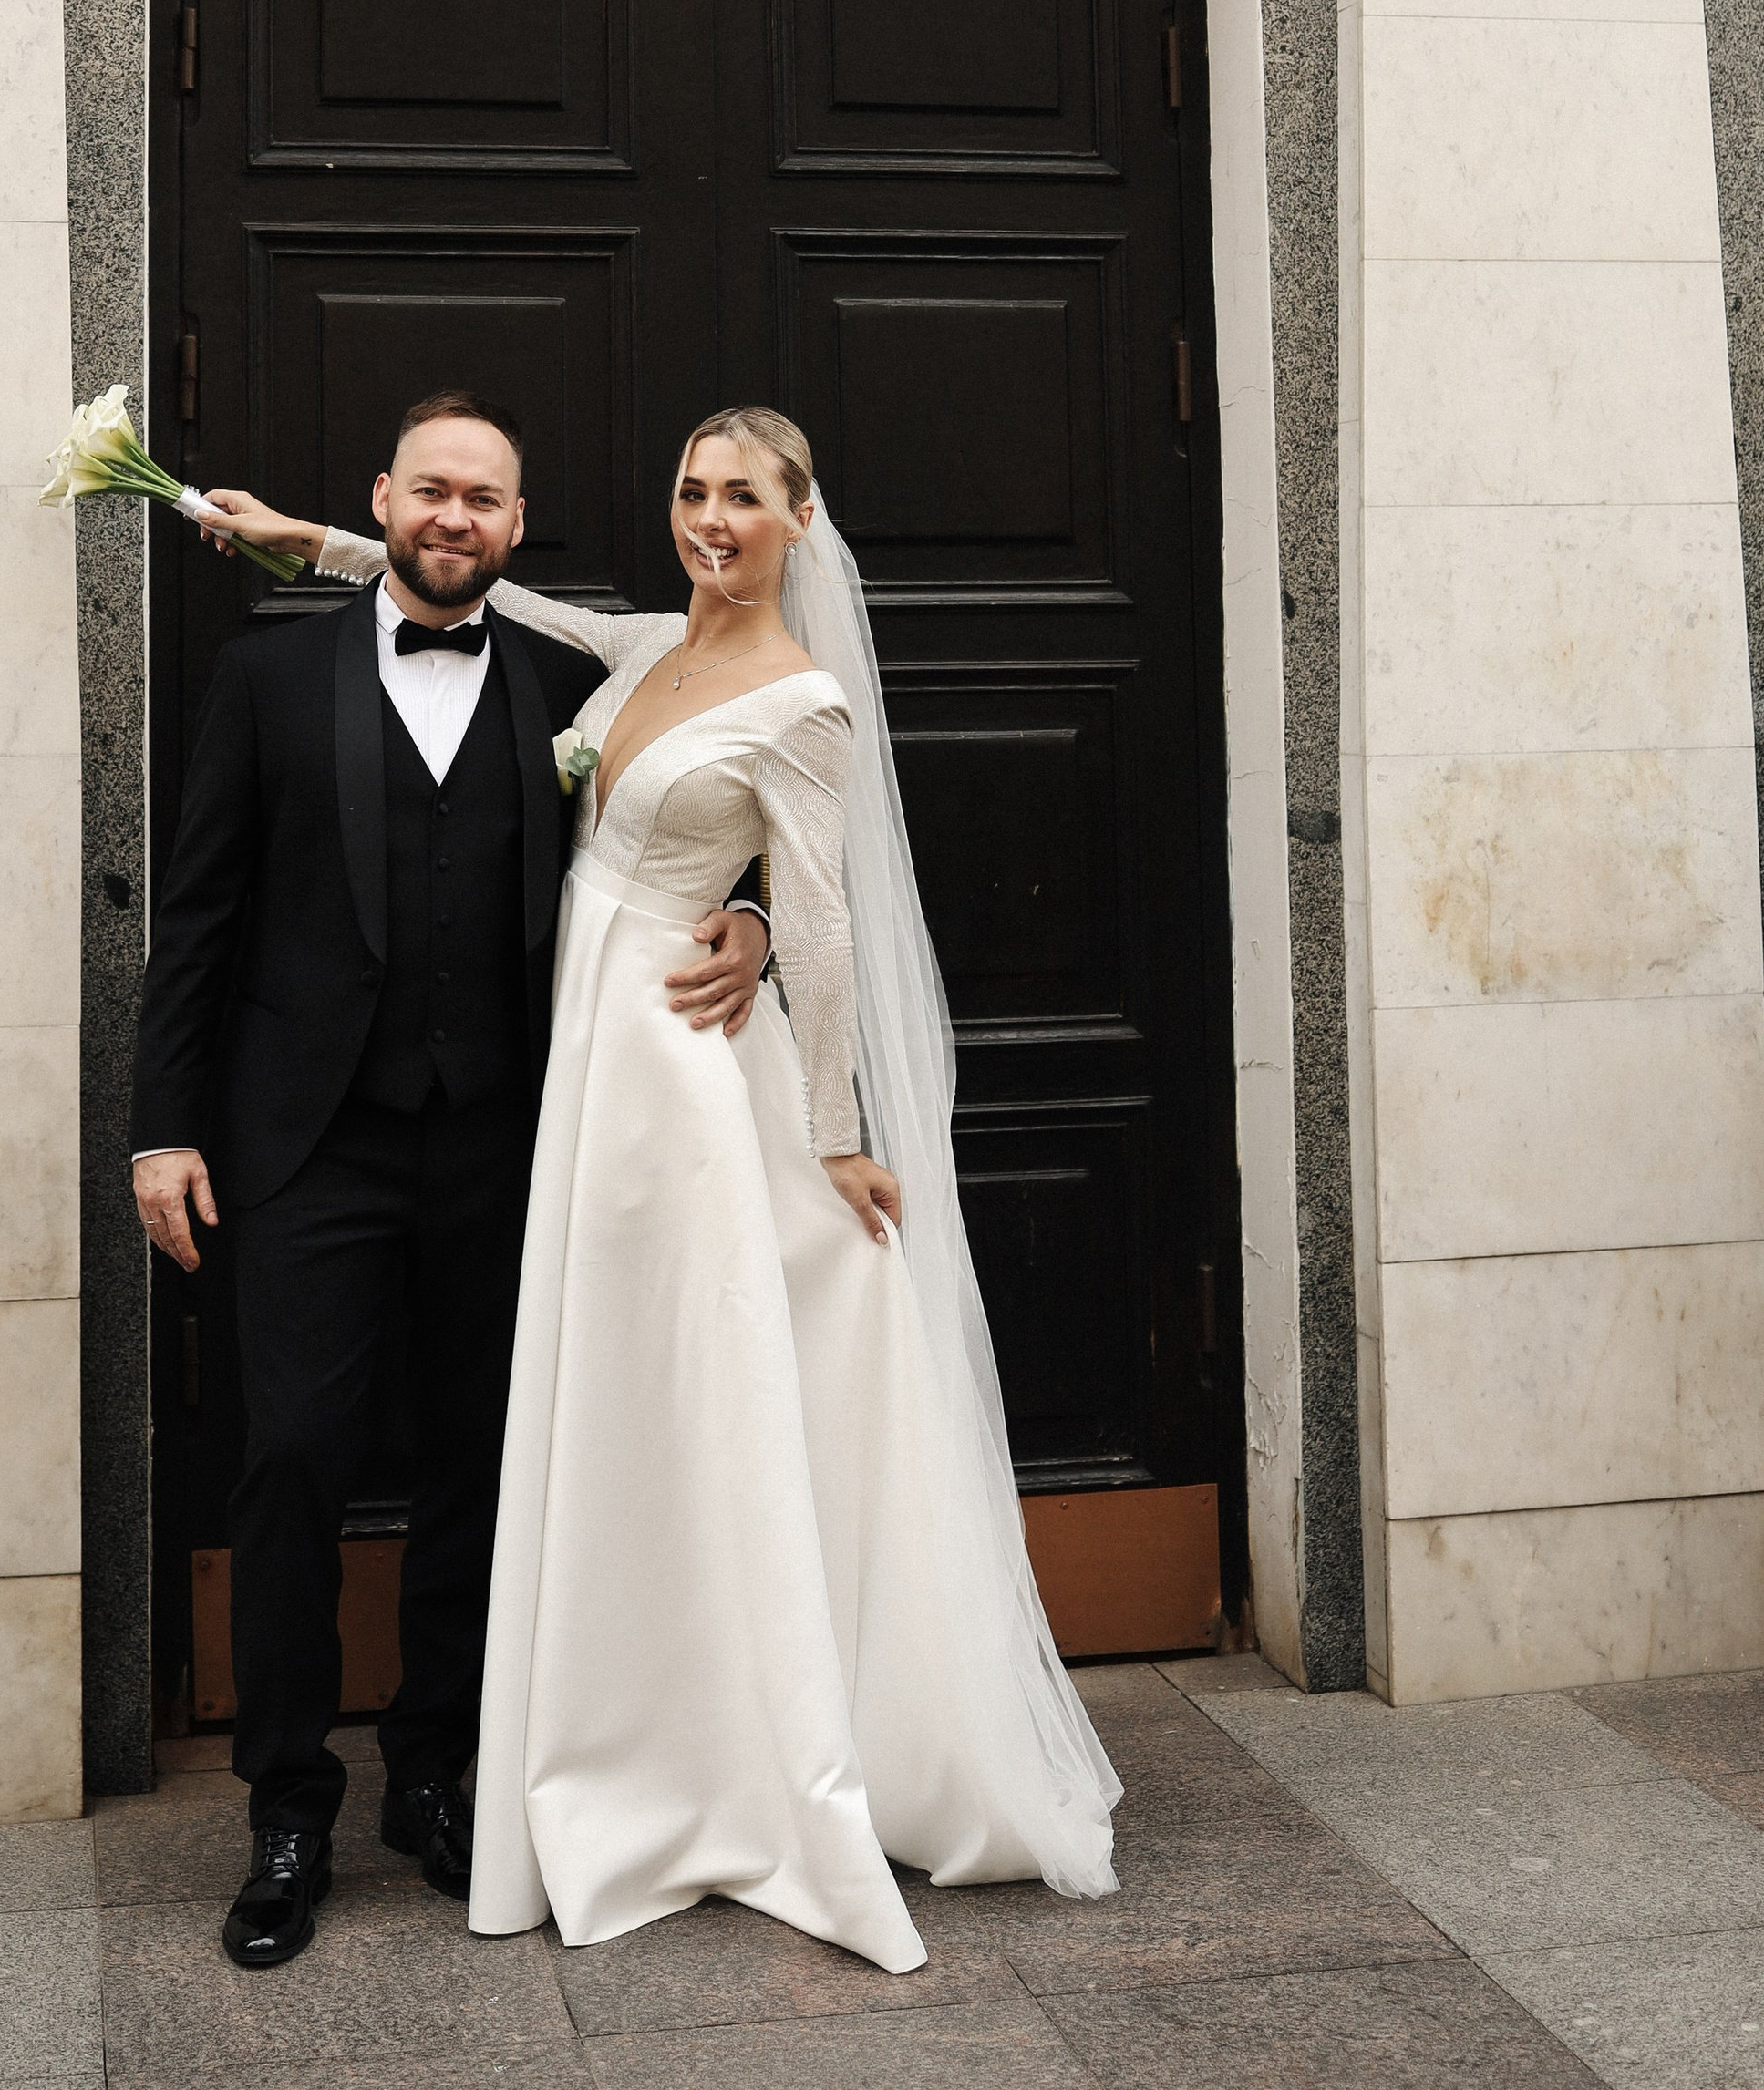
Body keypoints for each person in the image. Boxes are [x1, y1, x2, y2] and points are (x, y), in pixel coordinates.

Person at [201, 403, 1121, 1975]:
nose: (712, 518)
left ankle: (654, 1754)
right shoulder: (632, 651)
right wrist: (303, 537)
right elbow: (489, 594)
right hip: (558, 1071)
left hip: (663, 1081)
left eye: (744, 498)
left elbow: (822, 922)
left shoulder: (803, 698)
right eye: (694, 490)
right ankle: (385, 1783)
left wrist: (829, 1122)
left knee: (658, 1408)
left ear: (798, 519)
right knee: (512, 1414)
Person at [130, 393, 769, 1973]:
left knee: (483, 1470)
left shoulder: (570, 677)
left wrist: (750, 916)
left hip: (506, 1137)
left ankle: (436, 1771)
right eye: (431, 490)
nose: (454, 517)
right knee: (289, 1458)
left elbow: (712, 780)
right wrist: (162, 1126)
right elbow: (198, 916)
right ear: (383, 500)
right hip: (304, 1146)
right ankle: (288, 1806)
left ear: (516, 522)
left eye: (485, 496)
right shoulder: (269, 675)